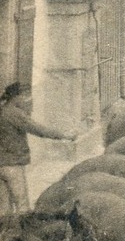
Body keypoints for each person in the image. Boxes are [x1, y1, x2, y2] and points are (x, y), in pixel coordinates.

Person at [0, 82, 76, 214]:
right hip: (12, 165)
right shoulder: (14, 114)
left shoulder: (3, 111)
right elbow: (38, 129)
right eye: (23, 96)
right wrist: (64, 135)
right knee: (22, 207)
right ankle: (22, 233)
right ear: (16, 97)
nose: (25, 100)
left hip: (2, 164)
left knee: (3, 208)